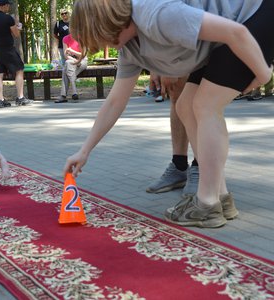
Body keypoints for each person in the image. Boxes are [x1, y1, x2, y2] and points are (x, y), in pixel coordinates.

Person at [64, 0, 274, 228]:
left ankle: (207, 204)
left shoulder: (157, 15)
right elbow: (115, 102)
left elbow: (236, 32)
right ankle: (221, 197)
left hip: (253, 16)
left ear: (107, 24)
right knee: (186, 105)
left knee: (206, 105)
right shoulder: (129, 48)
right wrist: (84, 151)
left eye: (99, 38)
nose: (103, 45)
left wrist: (263, 74)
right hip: (223, 39)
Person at [146, 74, 200, 199]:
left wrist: (169, 72)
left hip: (209, 55)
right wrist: (156, 69)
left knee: (202, 101)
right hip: (179, 56)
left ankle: (201, 168)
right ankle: (179, 165)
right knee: (177, 96)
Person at [0, 0, 31, 108]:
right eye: (8, 5)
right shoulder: (8, 18)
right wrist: (19, 27)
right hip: (8, 49)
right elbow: (16, 34)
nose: (9, 7)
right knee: (19, 70)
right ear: (4, 6)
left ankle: (1, 100)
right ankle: (20, 97)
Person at [55, 33, 87, 103]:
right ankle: (74, 92)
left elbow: (83, 55)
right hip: (71, 61)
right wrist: (74, 61)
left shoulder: (82, 37)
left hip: (82, 61)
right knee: (67, 63)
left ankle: (63, 96)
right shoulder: (65, 39)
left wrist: (72, 51)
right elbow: (66, 56)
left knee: (65, 69)